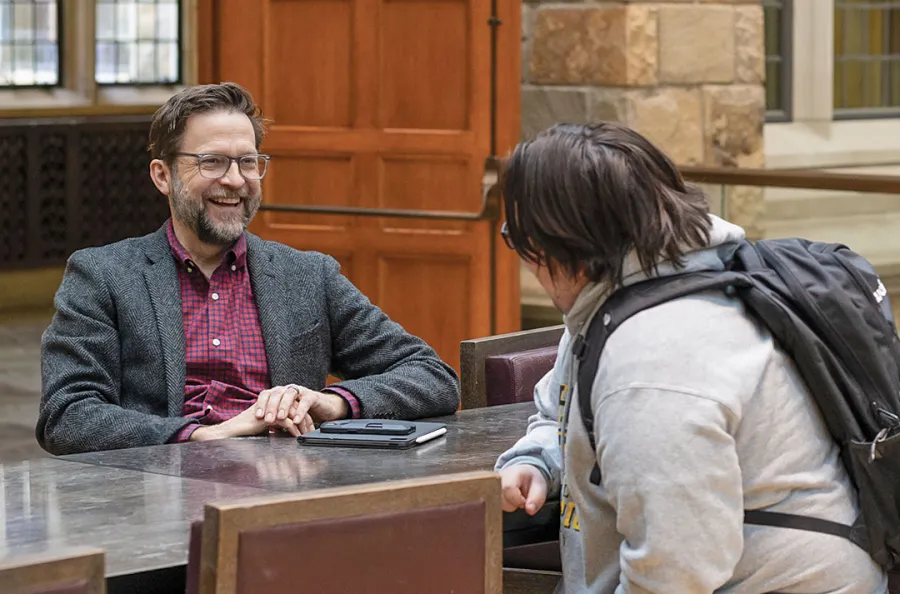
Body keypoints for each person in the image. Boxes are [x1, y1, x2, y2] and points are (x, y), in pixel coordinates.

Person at [494, 123, 886, 592]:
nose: (525, 261)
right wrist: (540, 461)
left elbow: (674, 570)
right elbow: (561, 410)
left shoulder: (651, 363)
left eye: (522, 242)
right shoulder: (640, 296)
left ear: (568, 246)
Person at [37, 82, 459, 456]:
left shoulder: (308, 276)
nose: (236, 180)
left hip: (284, 495)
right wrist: (201, 437)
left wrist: (331, 402)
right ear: (163, 175)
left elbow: (433, 376)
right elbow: (67, 415)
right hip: (159, 495)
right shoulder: (102, 276)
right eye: (213, 162)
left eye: (248, 162)